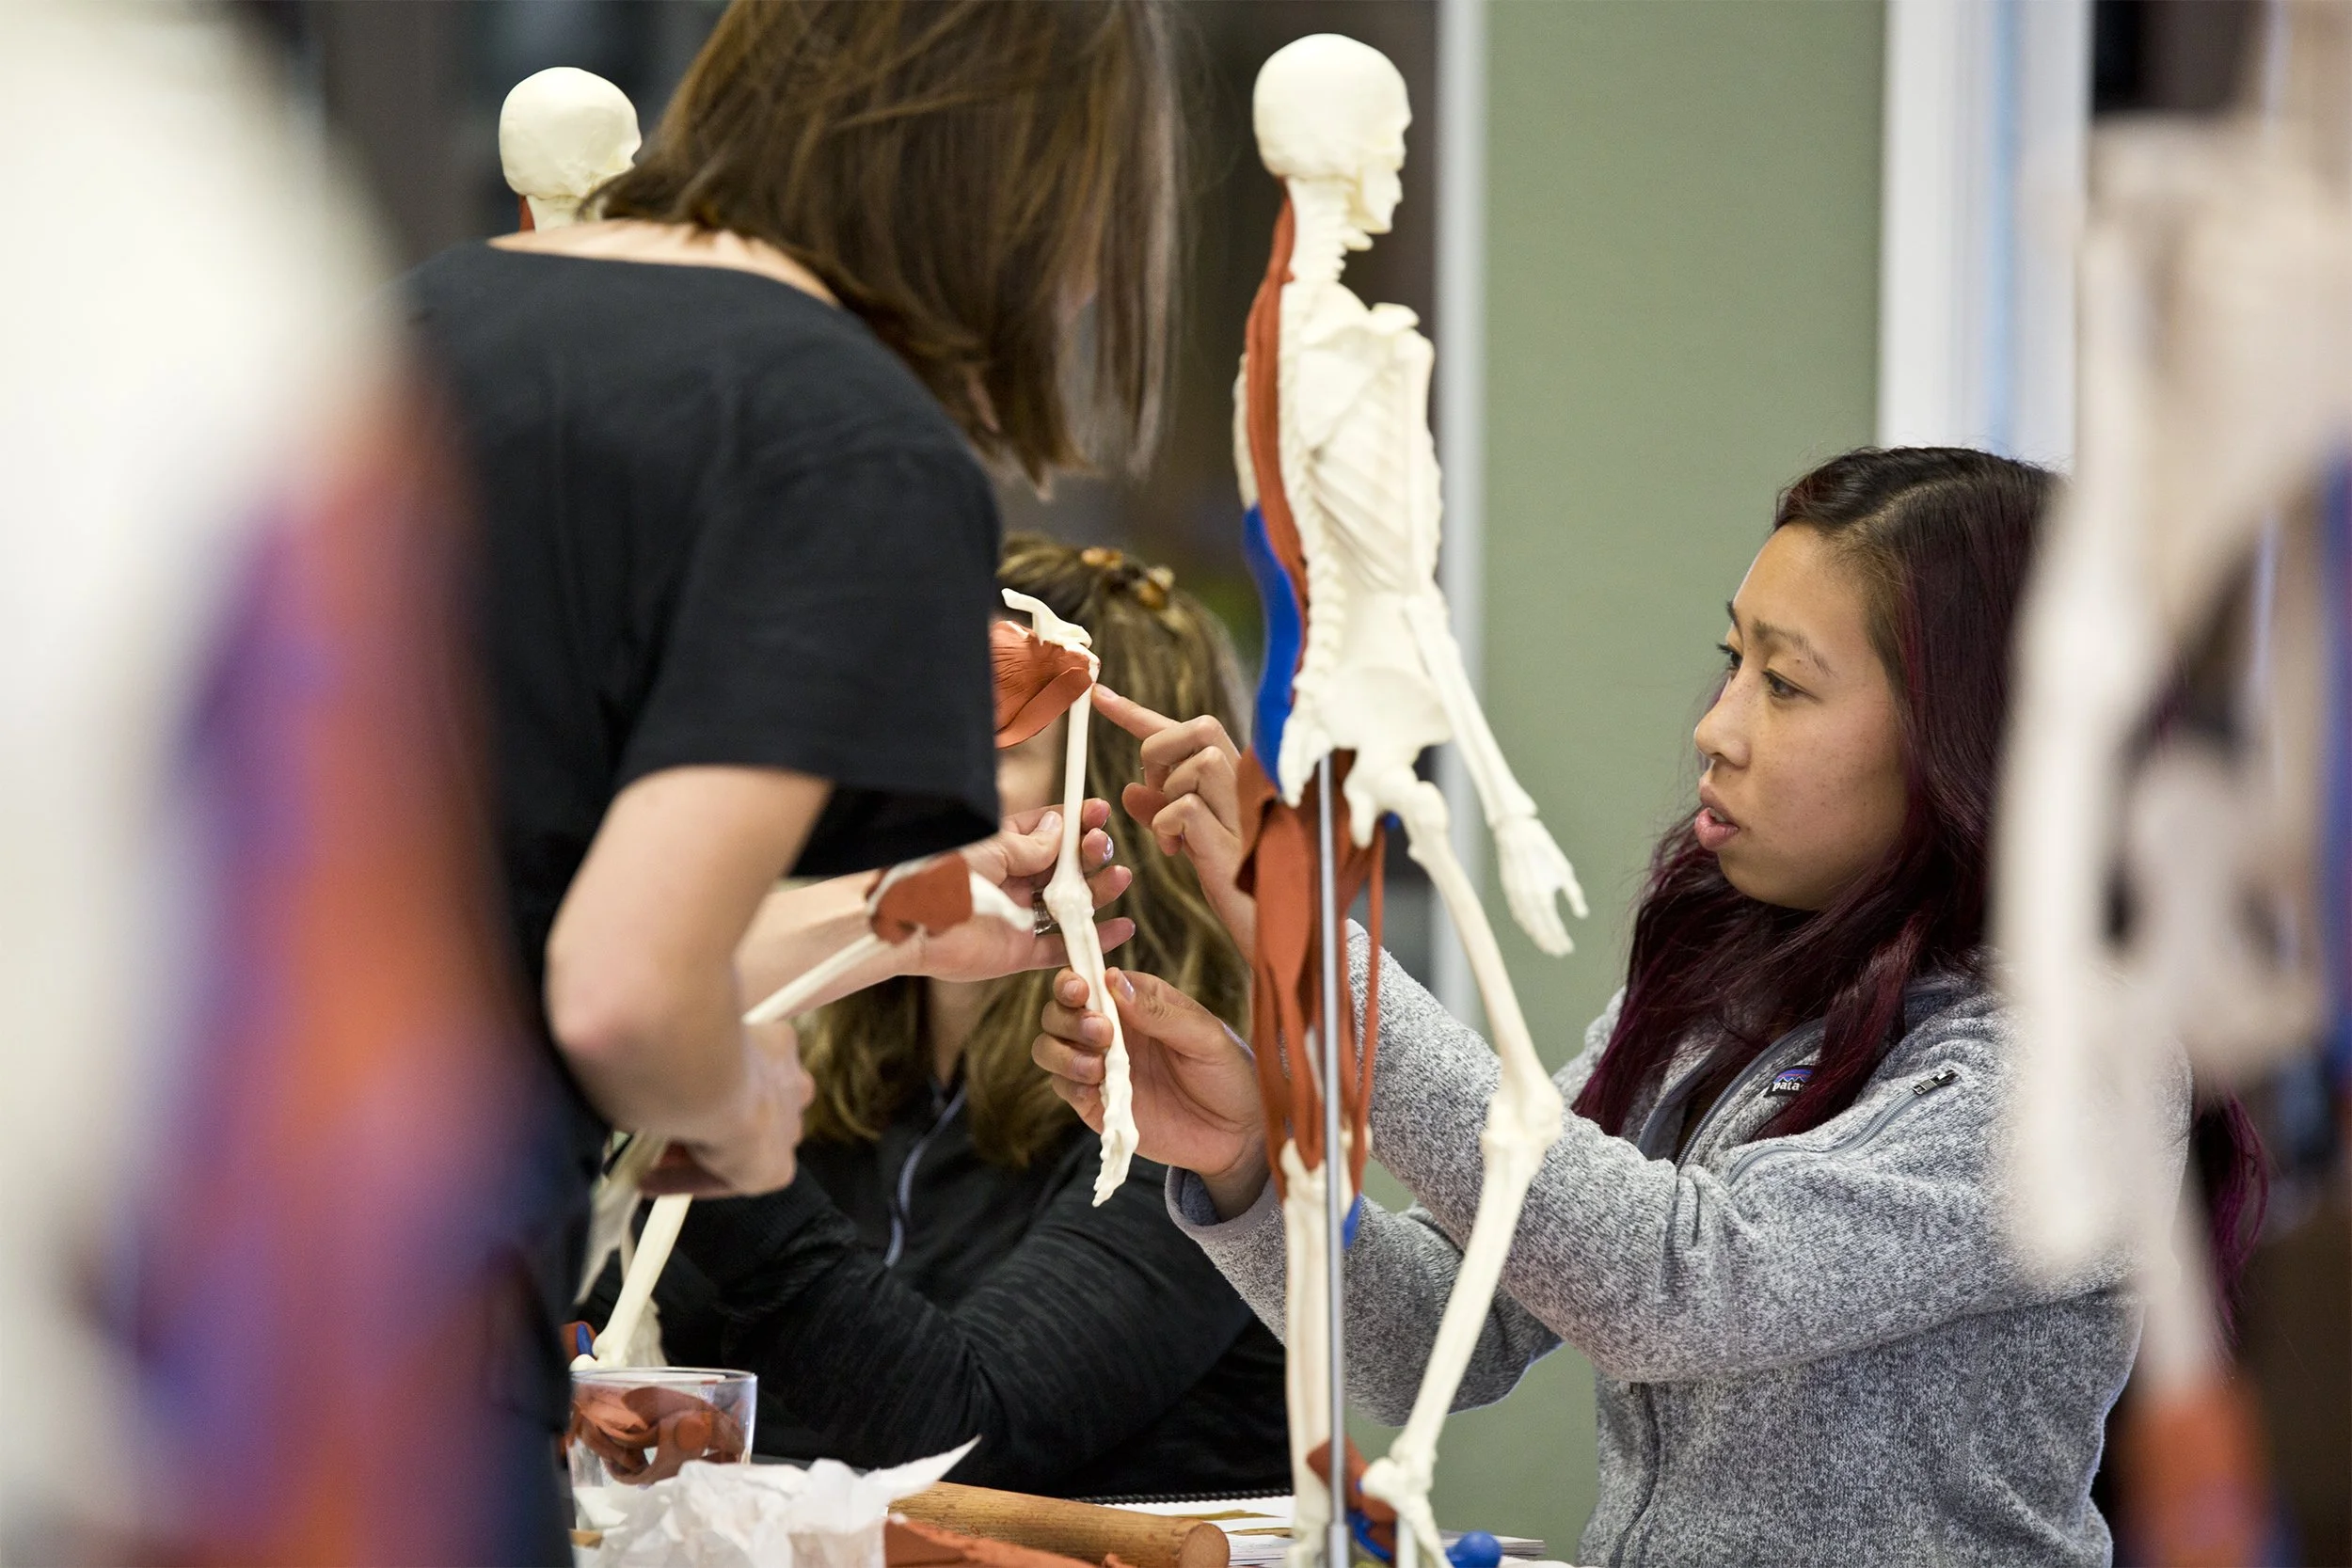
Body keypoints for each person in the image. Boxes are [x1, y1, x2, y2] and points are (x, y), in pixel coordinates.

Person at [1037, 449, 2268, 1565]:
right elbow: (1434, 1338)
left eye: (1786, 684)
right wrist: (1258, 1167)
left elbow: (1674, 1280)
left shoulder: (2075, 1074)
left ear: (1971, 742)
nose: (1715, 729)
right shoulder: (1728, 996)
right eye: (1736, 661)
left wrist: (1328, 967)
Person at [402, 2, 1177, 1551]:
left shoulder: (439, 312)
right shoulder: (842, 432)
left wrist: (883, 922)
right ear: (1016, 185)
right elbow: (621, 991)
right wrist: (741, 1113)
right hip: (409, 1335)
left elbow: (498, 909)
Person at [591, 538, 1289, 1499]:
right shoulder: (835, 1062)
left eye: (979, 735)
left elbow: (962, 1432)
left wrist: (704, 1105)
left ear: (1104, 796)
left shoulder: (1194, 1107)